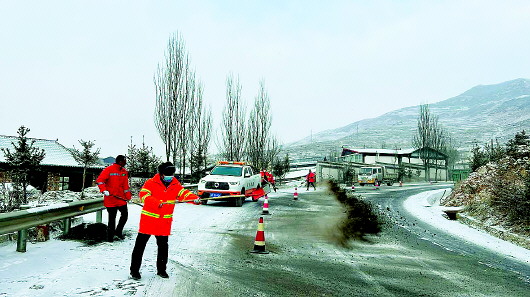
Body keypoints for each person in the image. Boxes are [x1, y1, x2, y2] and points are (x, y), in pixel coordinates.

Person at [130, 162, 200, 280]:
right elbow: (143, 195)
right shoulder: (151, 183)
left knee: (163, 248)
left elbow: (184, 194)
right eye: (168, 174)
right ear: (161, 174)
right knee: (140, 246)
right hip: (149, 220)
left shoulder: (175, 184)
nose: (170, 176)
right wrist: (156, 202)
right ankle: (134, 271)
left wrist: (195, 199)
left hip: (164, 222)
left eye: (172, 174)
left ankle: (161, 270)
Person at [96, 155, 132, 242]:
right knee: (112, 219)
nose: (125, 163)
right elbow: (100, 180)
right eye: (124, 161)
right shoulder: (108, 170)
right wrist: (104, 190)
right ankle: (110, 237)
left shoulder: (124, 171)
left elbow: (125, 186)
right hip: (111, 198)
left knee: (125, 215)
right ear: (120, 161)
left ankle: (118, 232)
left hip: (121, 199)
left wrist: (128, 197)